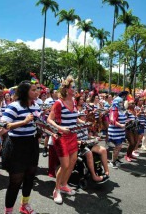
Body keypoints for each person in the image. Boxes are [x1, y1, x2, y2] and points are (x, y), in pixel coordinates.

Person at [1, 80, 41, 214]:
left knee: (30, 176)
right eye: (33, 90)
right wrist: (23, 122)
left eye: (37, 89)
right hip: (17, 145)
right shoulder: (14, 106)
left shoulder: (36, 106)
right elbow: (4, 125)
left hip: (32, 144)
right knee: (15, 181)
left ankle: (24, 205)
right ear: (25, 92)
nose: (37, 92)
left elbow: (38, 124)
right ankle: (8, 211)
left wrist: (51, 131)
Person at [47, 76, 84, 204]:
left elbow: (74, 118)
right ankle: (56, 190)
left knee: (73, 162)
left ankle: (64, 184)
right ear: (67, 89)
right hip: (61, 137)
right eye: (73, 87)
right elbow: (49, 120)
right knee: (65, 165)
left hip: (73, 136)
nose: (75, 89)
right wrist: (60, 127)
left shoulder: (73, 102)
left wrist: (82, 122)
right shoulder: (59, 103)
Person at [108, 96, 126, 169]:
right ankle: (112, 162)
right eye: (120, 102)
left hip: (120, 131)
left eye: (122, 102)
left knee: (119, 146)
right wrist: (120, 125)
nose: (122, 103)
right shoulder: (114, 109)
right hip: (115, 132)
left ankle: (116, 159)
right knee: (118, 146)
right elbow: (112, 120)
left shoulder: (120, 109)